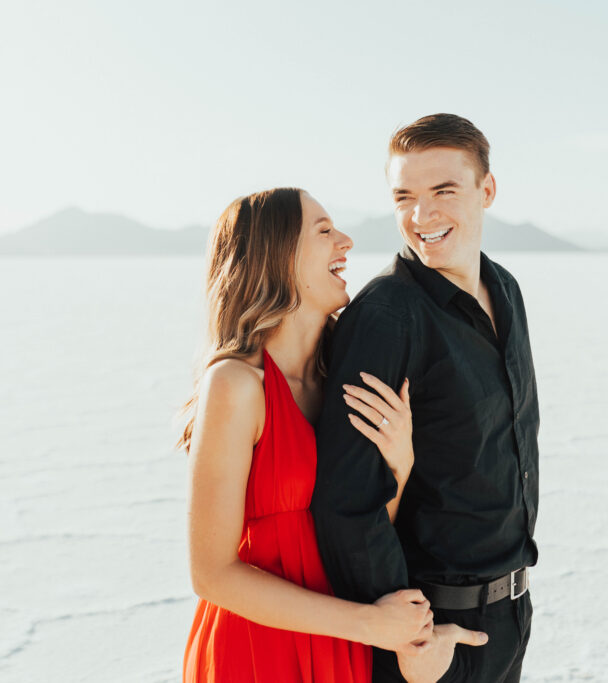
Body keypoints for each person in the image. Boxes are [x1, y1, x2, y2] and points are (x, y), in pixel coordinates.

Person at [312, 114, 541, 682]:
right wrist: (412, 639)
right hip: (431, 640)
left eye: (444, 191)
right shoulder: (385, 317)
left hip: (509, 616)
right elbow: (347, 502)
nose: (421, 216)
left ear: (486, 190)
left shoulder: (505, 288)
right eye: (404, 196)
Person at [179, 188, 437, 682]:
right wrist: (368, 624)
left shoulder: (345, 375)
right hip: (257, 652)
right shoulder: (237, 384)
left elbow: (357, 524)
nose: (346, 240)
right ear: (275, 256)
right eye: (323, 231)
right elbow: (210, 574)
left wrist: (399, 469)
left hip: (346, 646)